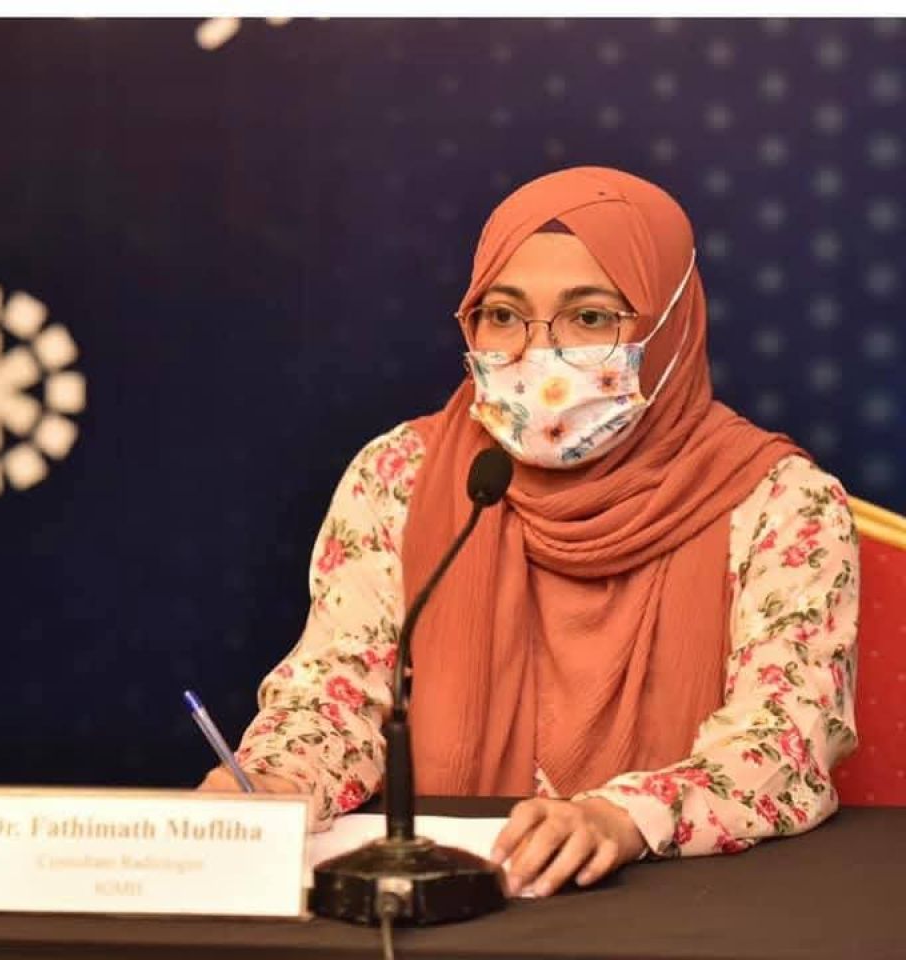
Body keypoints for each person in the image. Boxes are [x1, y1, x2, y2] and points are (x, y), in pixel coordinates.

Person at [199, 166, 859, 899]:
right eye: (504, 315)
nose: (538, 355)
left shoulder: (779, 501)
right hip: (445, 904)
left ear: (670, 327)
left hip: (680, 913)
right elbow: (339, 694)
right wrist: (277, 780)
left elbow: (784, 741)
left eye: (591, 318)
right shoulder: (400, 475)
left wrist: (623, 817)